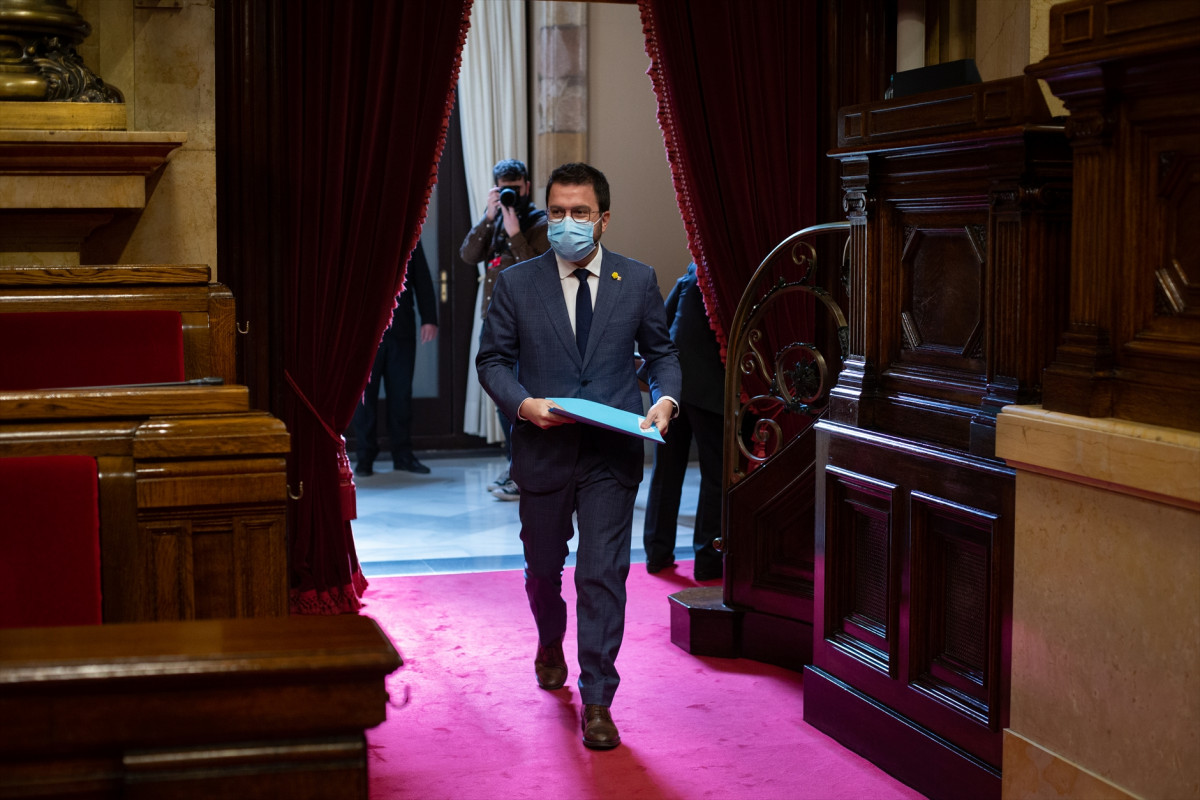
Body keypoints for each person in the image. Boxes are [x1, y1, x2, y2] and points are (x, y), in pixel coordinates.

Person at [476, 162, 681, 751]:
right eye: (558, 211)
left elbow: (661, 354)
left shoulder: (637, 280)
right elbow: (492, 362)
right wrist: (524, 405)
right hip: (543, 449)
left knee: (602, 575)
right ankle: (548, 637)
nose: (569, 223)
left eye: (581, 212)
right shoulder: (518, 282)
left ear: (603, 218)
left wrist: (665, 399)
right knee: (545, 570)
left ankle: (597, 699)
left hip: (611, 455)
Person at [460, 158, 550, 501]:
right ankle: (517, 467)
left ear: (526, 185)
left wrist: (515, 235)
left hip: (525, 327)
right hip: (494, 323)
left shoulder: (539, 222)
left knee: (520, 400)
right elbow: (469, 255)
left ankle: (523, 472)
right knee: (502, 398)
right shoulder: (494, 221)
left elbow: (539, 271)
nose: (511, 191)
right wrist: (488, 216)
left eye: (516, 184)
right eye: (504, 186)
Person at [642, 263, 726, 582]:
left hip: (673, 386)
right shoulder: (735, 272)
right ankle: (707, 560)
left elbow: (665, 320)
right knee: (715, 474)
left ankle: (656, 552)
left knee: (666, 471)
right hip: (711, 387)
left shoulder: (695, 269)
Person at [352, 241, 438, 477]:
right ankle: (364, 457)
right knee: (364, 399)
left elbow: (421, 276)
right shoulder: (357, 233)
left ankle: (403, 455)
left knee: (401, 396)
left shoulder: (409, 232)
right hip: (364, 333)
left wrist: (429, 317)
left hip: (401, 329)